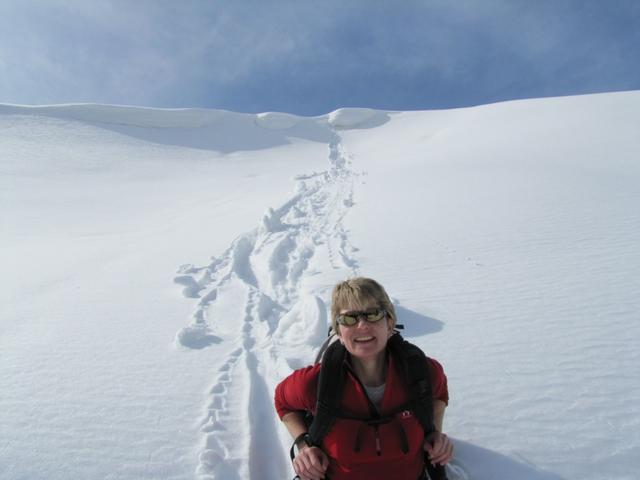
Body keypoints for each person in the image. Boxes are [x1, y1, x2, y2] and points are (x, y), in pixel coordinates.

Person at [274, 277, 453, 480]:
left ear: (390, 323)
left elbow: (439, 394)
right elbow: (283, 401)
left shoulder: (422, 372)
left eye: (373, 314)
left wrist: (434, 432)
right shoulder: (316, 383)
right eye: (350, 318)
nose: (362, 325)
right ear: (339, 332)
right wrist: (303, 443)